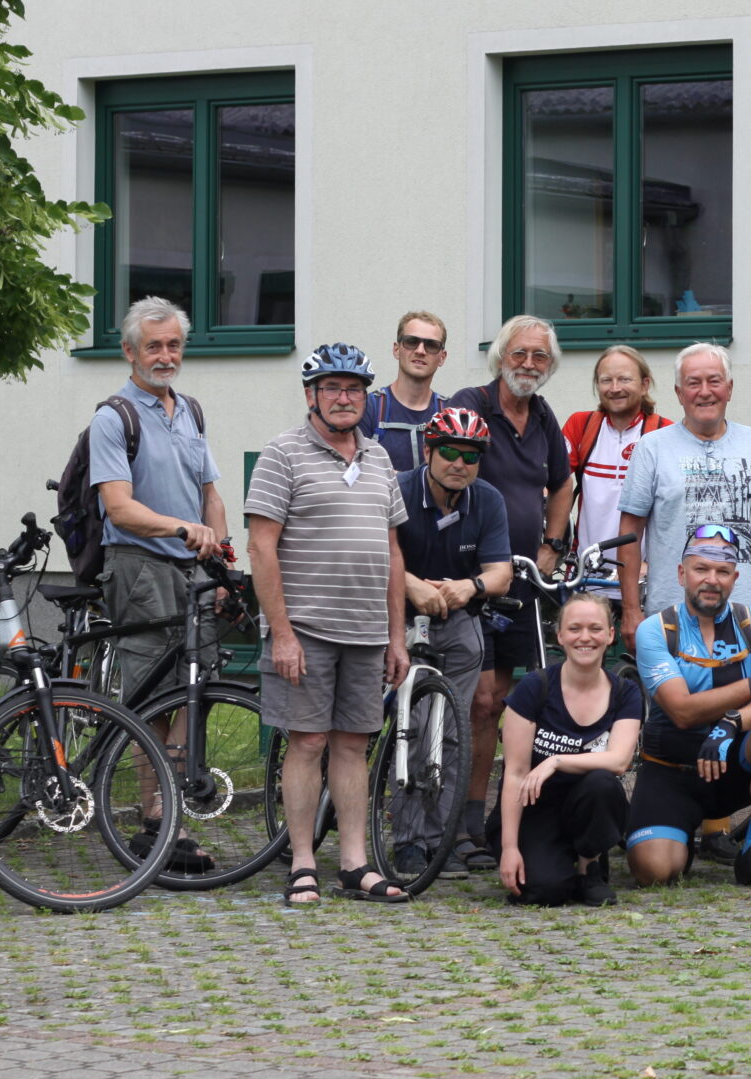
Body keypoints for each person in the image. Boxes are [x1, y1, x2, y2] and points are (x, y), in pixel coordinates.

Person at [246, 344, 411, 905]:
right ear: (311, 394)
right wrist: (283, 633)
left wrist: (396, 635)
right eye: (333, 387)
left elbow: (393, 553)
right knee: (308, 741)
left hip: (367, 631)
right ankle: (301, 863)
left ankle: (355, 864)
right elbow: (261, 549)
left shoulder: (381, 458)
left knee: (353, 745)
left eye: (355, 388)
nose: (345, 398)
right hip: (308, 628)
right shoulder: (282, 454)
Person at [91, 296, 230, 873]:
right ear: (129, 352)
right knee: (150, 696)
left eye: (174, 344)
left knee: (193, 689)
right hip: (140, 566)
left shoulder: (191, 410)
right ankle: (153, 822)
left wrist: (219, 556)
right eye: (154, 346)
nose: (166, 355)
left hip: (192, 568)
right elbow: (118, 508)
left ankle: (168, 812)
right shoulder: (113, 417)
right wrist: (183, 529)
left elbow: (211, 493)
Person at [447, 315, 577, 873]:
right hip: (471, 575)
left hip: (521, 580)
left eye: (540, 358)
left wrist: (551, 544)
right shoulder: (471, 402)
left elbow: (563, 483)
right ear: (501, 356)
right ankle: (457, 821)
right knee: (475, 702)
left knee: (500, 704)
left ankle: (482, 820)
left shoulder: (543, 415)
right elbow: (445, 471)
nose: (529, 364)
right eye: (520, 354)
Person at [624, 527, 751, 890]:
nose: (711, 580)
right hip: (671, 773)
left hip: (732, 764)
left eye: (722, 572)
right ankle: (674, 837)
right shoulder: (656, 630)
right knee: (656, 872)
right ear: (681, 574)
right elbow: (682, 711)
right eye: (701, 569)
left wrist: (732, 723)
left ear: (735, 579)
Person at [389, 408, 513, 879]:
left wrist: (471, 587)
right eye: (449, 452)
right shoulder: (398, 490)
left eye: (470, 455)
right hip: (399, 617)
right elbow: (376, 556)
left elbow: (500, 572)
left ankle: (441, 840)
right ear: (428, 452)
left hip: (458, 619)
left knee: (453, 730)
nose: (459, 463)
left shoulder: (488, 500)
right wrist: (411, 584)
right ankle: (409, 841)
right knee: (416, 728)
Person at [617, 343, 751, 647]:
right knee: (673, 696)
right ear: (679, 393)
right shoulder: (652, 448)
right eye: (693, 383)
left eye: (714, 381)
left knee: (744, 693)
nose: (705, 391)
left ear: (730, 387)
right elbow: (630, 532)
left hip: (743, 616)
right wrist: (631, 609)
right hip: (671, 618)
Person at [493, 594, 643, 907]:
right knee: (543, 893)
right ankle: (556, 862)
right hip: (535, 807)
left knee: (602, 782)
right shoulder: (534, 688)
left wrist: (556, 761)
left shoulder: (625, 693)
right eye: (574, 629)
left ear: (610, 635)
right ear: (560, 636)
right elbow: (515, 774)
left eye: (595, 628)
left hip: (588, 804)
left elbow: (618, 761)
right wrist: (509, 848)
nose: (585, 637)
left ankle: (590, 867)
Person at [562, 345, 671, 599]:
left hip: (645, 578)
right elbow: (555, 486)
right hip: (588, 576)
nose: (615, 388)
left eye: (624, 379)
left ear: (644, 385)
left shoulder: (665, 433)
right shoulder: (581, 425)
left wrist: (654, 566)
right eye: (606, 380)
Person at [362, 311, 451, 474]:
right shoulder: (369, 409)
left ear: (442, 357)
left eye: (431, 345)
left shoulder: (450, 413)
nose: (420, 351)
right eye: (411, 342)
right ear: (396, 350)